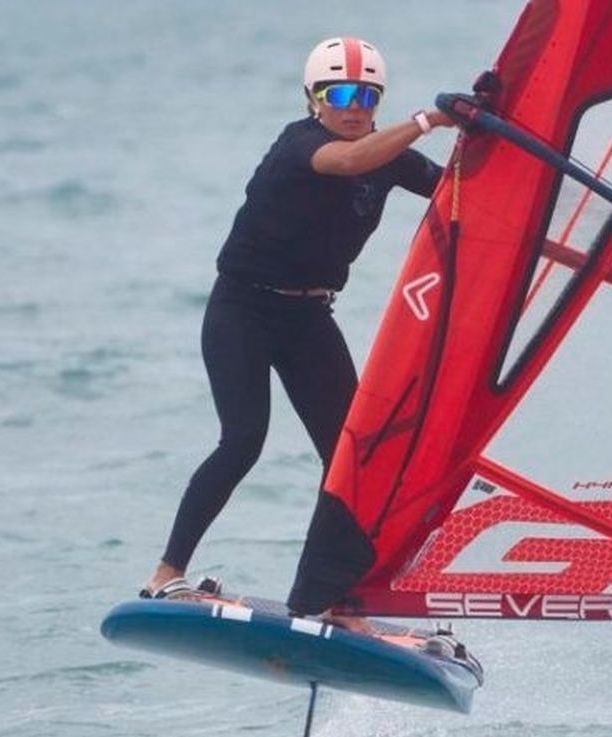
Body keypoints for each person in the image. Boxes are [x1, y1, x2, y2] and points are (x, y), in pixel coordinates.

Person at [141, 36, 455, 627]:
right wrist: (429, 119)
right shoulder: (301, 145)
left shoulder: (387, 152)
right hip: (242, 310)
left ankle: (333, 596)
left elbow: (456, 188)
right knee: (243, 441)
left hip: (309, 318)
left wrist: (489, 127)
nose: (353, 107)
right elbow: (349, 162)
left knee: (351, 457)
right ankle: (165, 575)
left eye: (366, 95)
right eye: (338, 94)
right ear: (314, 99)